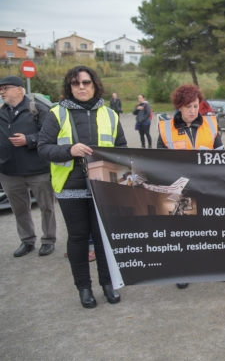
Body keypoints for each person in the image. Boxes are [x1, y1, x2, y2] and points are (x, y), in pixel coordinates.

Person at [37, 65, 126, 309]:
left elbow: (122, 150)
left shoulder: (110, 114)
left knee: (102, 237)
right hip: (70, 186)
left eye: (86, 82)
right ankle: (84, 288)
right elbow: (43, 147)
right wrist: (69, 150)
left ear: (95, 85)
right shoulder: (56, 113)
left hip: (102, 186)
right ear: (70, 87)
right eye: (76, 84)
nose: (82, 87)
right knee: (77, 238)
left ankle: (108, 284)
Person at [157, 84, 222, 289]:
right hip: (179, 189)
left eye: (196, 106)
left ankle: (217, 267)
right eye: (188, 107)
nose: (193, 111)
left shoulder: (211, 125)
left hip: (207, 186)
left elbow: (222, 155)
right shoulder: (166, 129)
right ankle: (183, 270)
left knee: (211, 229)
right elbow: (158, 162)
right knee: (182, 231)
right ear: (179, 107)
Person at [0, 75, 57, 257]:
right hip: (9, 171)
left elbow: (50, 136)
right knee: (19, 209)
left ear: (19, 89)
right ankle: (27, 241)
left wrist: (29, 140)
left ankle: (48, 239)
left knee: (46, 206)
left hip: (37, 169)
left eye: (5, 88)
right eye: (0, 89)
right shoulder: (0, 112)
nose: (2, 91)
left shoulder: (37, 109)